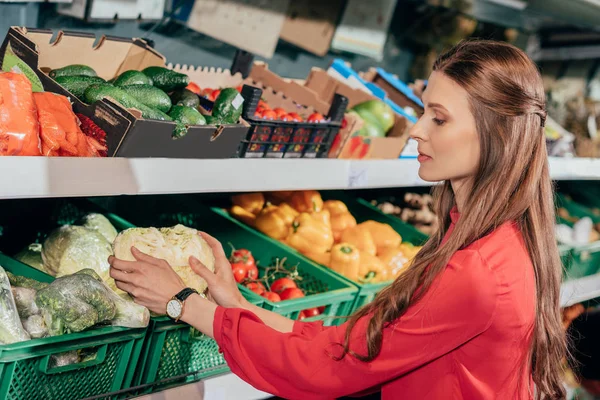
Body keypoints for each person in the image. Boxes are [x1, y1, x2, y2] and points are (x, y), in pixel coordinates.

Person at [108, 40, 567, 400]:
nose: (415, 129)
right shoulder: (486, 239)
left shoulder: (480, 273)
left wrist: (183, 303)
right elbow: (350, 342)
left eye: (439, 119)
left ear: (496, 136)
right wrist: (233, 303)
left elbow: (331, 367)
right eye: (423, 110)